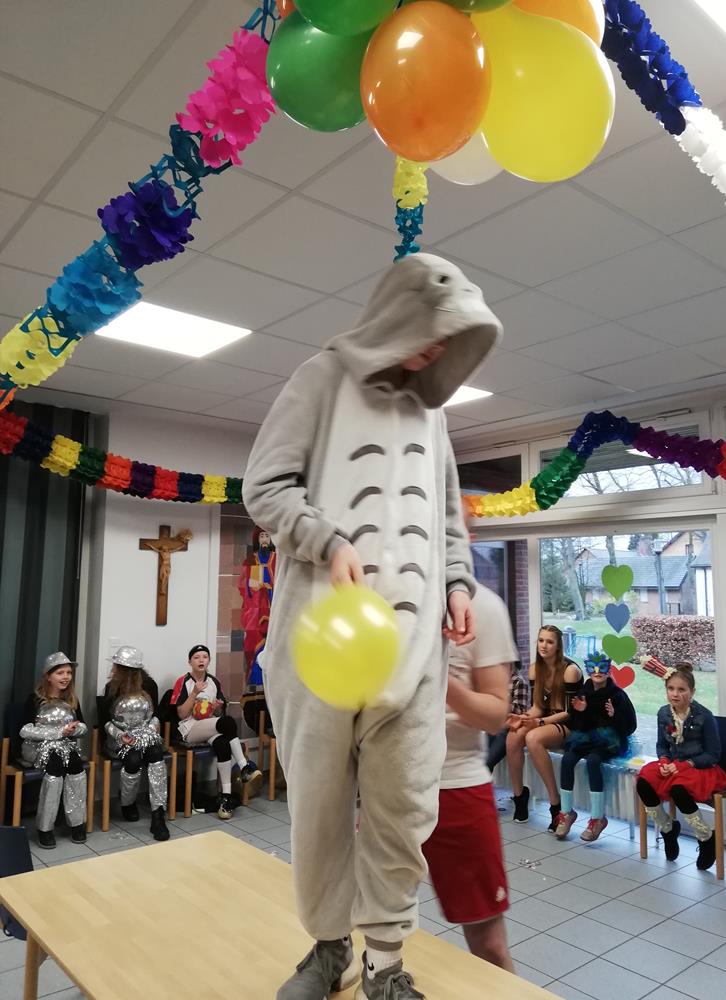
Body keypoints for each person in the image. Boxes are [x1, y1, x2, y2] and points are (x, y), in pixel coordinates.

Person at [242, 253, 500, 1000]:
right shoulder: (321, 378)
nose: (436, 352)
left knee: (402, 811)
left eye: (450, 343)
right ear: (398, 315)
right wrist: (327, 540)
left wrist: (457, 583)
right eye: (431, 334)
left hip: (413, 653)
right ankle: (329, 948)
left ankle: (386, 964)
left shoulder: (433, 412)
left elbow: (447, 518)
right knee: (320, 809)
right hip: (322, 646)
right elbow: (264, 485)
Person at [422, 575, 518, 973]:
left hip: (457, 786)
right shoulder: (384, 594)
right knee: (371, 924)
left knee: (489, 946)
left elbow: (495, 715)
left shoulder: (485, 605)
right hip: (387, 784)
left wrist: (435, 676)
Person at [636, 660, 725, 870]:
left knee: (678, 789)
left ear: (692, 692)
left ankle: (706, 837)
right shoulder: (663, 713)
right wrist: (664, 761)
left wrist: (687, 764)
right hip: (674, 765)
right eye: (671, 689)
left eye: (681, 690)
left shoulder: (704, 716)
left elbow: (713, 754)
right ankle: (668, 829)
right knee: (643, 782)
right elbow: (662, 745)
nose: (675, 694)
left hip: (699, 767)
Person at [170, 644, 263, 820]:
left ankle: (225, 799)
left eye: (205, 657)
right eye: (196, 657)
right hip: (190, 728)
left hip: (210, 725)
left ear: (209, 660)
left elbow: (219, 714)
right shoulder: (183, 681)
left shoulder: (213, 682)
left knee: (223, 744)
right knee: (228, 723)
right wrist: (194, 693)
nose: (201, 660)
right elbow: (181, 714)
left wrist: (217, 708)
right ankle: (244, 766)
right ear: (190, 662)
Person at [505, 625, 583, 828]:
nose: (544, 645)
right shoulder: (534, 669)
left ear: (558, 646)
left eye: (550, 642)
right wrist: (522, 717)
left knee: (533, 738)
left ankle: (556, 804)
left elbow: (570, 712)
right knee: (513, 735)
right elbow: (538, 707)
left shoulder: (570, 671)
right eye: (541, 640)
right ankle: (519, 796)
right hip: (547, 718)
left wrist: (538, 722)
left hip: (570, 723)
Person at [555, 651, 637, 842]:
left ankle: (597, 818)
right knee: (567, 759)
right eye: (593, 668)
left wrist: (615, 715)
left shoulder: (617, 695)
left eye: (602, 668)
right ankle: (566, 812)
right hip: (585, 739)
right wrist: (581, 712)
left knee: (593, 761)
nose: (597, 672)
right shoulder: (583, 693)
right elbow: (576, 724)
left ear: (609, 671)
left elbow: (630, 726)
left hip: (608, 741)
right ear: (588, 670)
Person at [20, 652, 88, 850]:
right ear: (48, 676)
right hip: (37, 748)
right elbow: (24, 730)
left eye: (68, 672)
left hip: (64, 746)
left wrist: (74, 729)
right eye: (60, 673)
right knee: (55, 765)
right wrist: (58, 732)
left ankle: (77, 823)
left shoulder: (72, 700)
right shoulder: (35, 699)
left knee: (76, 765)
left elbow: (83, 727)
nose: (66, 677)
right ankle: (45, 827)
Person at [102, 645, 169, 841]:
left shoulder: (149, 686)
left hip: (145, 734)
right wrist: (120, 735)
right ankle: (128, 803)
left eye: (116, 666)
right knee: (133, 759)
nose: (113, 670)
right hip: (119, 738)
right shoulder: (111, 688)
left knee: (156, 754)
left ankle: (158, 814)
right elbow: (104, 721)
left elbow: (155, 716)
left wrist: (149, 732)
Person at [239, 528, 276, 687]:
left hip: (274, 608)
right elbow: (244, 586)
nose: (264, 539)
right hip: (255, 610)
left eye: (267, 536)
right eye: (262, 536)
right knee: (253, 643)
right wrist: (256, 586)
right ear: (257, 540)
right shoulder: (251, 561)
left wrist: (269, 587)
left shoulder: (277, 559)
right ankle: (256, 682)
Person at [486, 661, 530, 775]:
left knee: (487, 763)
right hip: (493, 726)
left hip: (508, 729)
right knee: (479, 762)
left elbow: (519, 711)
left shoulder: (518, 681)